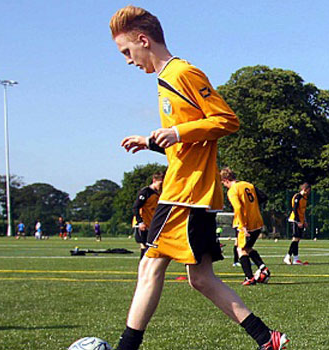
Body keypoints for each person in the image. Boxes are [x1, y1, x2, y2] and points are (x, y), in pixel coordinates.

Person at [110, 6, 286, 349]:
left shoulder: (182, 73)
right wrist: (153, 141)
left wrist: (177, 132)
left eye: (127, 52)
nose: (129, 61)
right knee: (201, 279)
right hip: (195, 193)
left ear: (143, 40)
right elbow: (192, 140)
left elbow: (227, 120)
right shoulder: (166, 81)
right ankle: (269, 340)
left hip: (184, 193)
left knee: (149, 269)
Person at [221, 168, 271, 286]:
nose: (224, 185)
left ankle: (249, 277)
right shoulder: (248, 185)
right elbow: (263, 197)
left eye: (223, 183)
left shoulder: (233, 190)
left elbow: (238, 208)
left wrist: (243, 226)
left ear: (226, 180)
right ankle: (263, 268)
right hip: (257, 221)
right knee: (247, 248)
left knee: (240, 249)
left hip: (246, 224)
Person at [132, 172, 164, 258]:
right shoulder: (145, 192)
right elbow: (136, 207)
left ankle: (146, 269)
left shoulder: (158, 193)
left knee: (150, 248)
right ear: (154, 180)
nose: (161, 186)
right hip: (142, 225)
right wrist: (140, 222)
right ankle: (142, 270)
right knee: (145, 247)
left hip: (151, 225)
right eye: (160, 183)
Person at [285, 183, 310, 265]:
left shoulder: (305, 198)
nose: (309, 192)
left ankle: (296, 259)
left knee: (297, 239)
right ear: (305, 189)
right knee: (295, 238)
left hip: (301, 221)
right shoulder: (297, 196)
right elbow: (295, 209)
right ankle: (287, 256)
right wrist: (298, 221)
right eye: (308, 190)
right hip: (295, 220)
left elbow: (303, 211)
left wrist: (305, 221)